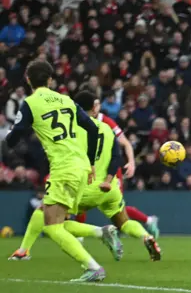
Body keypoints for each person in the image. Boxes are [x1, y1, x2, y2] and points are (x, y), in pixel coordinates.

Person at [4, 61, 106, 281]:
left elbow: (14, 138)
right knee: (56, 219)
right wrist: (90, 163)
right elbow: (92, 129)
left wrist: (12, 137)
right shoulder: (67, 100)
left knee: (51, 226)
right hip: (80, 167)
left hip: (63, 168)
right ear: (50, 80)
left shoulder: (30, 103)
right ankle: (101, 233)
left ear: (28, 79)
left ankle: (93, 267)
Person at [73, 94, 160, 238]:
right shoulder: (78, 122)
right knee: (81, 205)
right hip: (89, 169)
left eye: (98, 104)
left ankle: (147, 221)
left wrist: (131, 162)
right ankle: (81, 236)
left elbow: (125, 143)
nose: (97, 108)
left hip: (110, 171)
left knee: (115, 208)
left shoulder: (106, 122)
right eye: (95, 104)